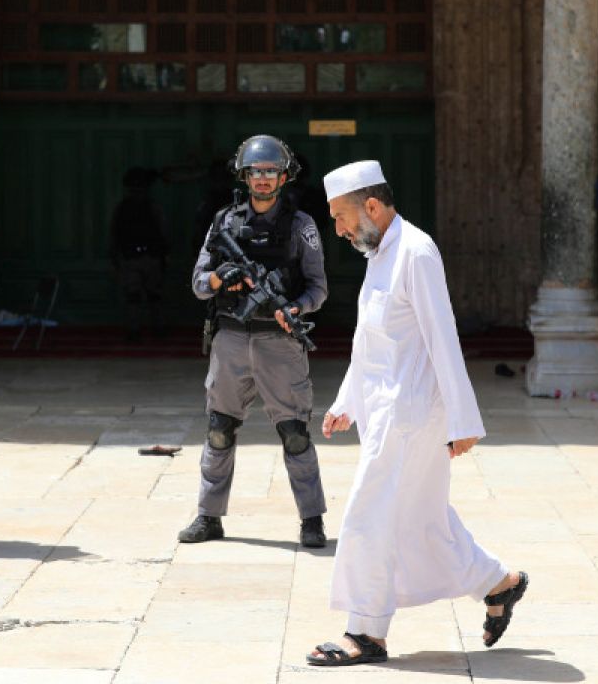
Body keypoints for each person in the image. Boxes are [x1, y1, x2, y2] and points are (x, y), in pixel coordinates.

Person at [306, 160, 527, 667]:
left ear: (374, 207)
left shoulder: (416, 252)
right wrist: (347, 401)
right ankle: (500, 583)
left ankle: (365, 633)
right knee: (421, 520)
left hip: (414, 415)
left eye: (341, 217)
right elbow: (373, 341)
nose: (337, 229)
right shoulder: (377, 255)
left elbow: (441, 337)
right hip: (387, 411)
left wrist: (463, 420)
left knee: (368, 515)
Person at [178, 135, 330, 548]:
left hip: (278, 342)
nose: (262, 179)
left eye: (270, 172)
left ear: (284, 176)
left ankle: (312, 519)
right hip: (230, 338)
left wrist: (295, 308)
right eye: (255, 172)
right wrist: (219, 278)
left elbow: (318, 289)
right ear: (245, 176)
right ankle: (209, 516)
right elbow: (198, 284)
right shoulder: (224, 221)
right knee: (219, 429)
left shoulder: (302, 225)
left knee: (295, 432)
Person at [110, 166, 169, 341]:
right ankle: (134, 330)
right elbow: (115, 233)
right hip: (132, 257)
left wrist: (163, 254)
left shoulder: (152, 207)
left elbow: (163, 231)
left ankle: (155, 328)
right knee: (133, 296)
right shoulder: (123, 209)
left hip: (150, 256)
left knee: (154, 296)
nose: (137, 191)